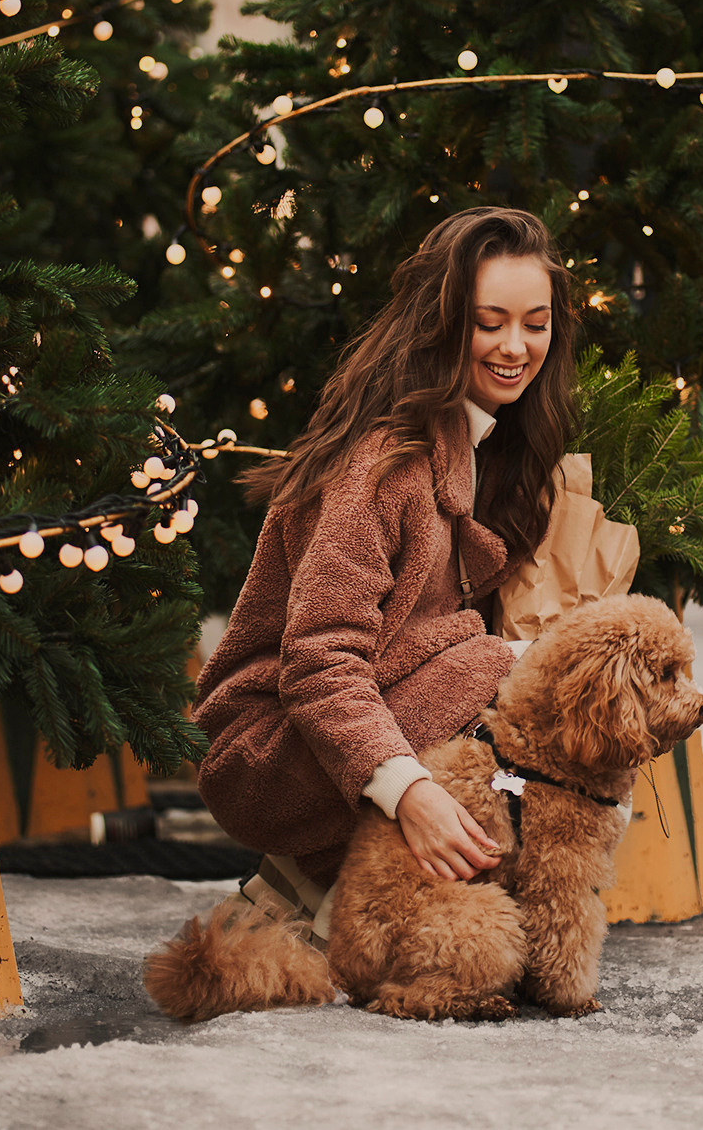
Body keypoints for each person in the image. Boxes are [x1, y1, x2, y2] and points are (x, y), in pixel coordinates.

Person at [192, 206, 576, 938]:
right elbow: (319, 662)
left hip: (359, 714)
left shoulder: (480, 444)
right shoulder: (382, 464)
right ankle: (329, 882)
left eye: (536, 322)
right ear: (443, 322)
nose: (515, 346)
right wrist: (411, 794)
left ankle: (358, 880)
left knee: (514, 663)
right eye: (489, 321)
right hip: (264, 747)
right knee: (507, 665)